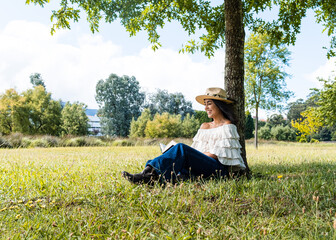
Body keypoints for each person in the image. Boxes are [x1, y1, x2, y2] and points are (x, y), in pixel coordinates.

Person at [122, 87, 246, 184]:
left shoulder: (227, 126)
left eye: (209, 104)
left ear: (219, 105)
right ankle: (149, 174)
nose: (205, 108)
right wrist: (189, 155)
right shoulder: (204, 126)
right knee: (176, 162)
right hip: (200, 164)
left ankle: (148, 176)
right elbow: (195, 151)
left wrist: (189, 154)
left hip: (217, 169)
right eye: (205, 104)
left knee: (181, 149)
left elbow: (218, 155)